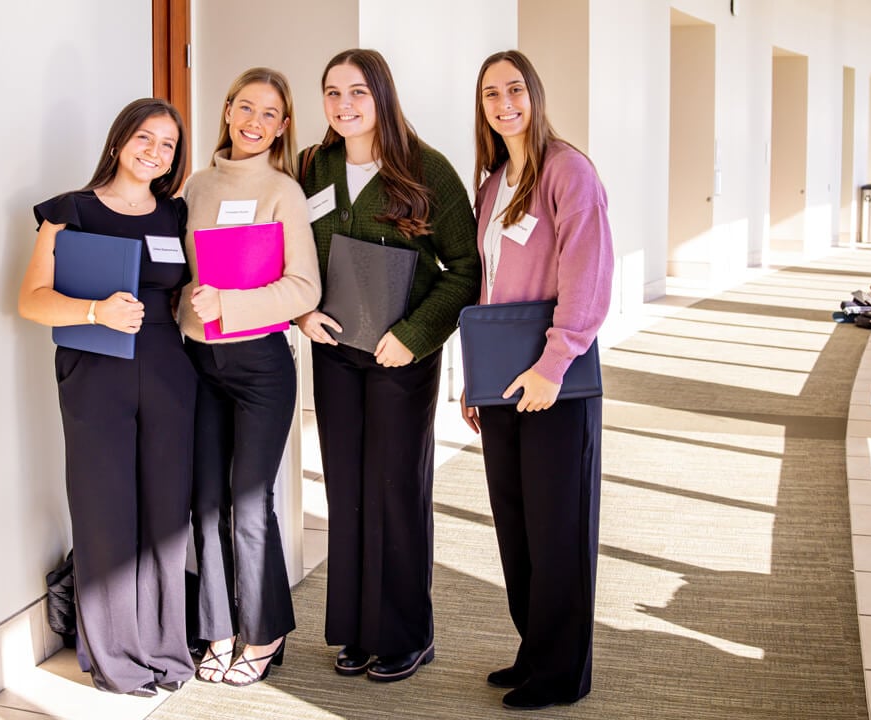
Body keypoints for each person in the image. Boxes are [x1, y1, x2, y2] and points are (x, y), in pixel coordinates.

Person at [295, 48, 480, 683]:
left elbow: (465, 271)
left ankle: (406, 633)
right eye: (332, 93)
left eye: (357, 93)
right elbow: (289, 258)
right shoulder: (312, 168)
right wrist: (300, 313)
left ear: (382, 97)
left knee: (396, 490)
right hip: (336, 353)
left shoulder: (428, 171)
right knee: (346, 489)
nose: (344, 106)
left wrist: (416, 334)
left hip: (401, 354)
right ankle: (355, 628)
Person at [18, 98, 195, 697]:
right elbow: (31, 299)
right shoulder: (71, 211)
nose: (154, 151)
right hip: (95, 372)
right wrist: (95, 310)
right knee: (105, 510)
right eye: (144, 137)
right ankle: (115, 657)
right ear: (120, 140)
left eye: (168, 145)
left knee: (167, 514)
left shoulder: (177, 214)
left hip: (171, 370)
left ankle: (167, 649)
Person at [460, 50, 613, 710]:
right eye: (491, 93)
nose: (504, 103)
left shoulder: (567, 170)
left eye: (514, 88)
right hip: (503, 385)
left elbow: (589, 277)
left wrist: (555, 364)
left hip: (554, 381)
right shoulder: (493, 183)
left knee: (559, 531)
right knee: (517, 526)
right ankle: (534, 651)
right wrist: (476, 382)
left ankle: (561, 672)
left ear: (535, 94)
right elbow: (490, 287)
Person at [178, 67, 321, 687]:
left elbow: (304, 286)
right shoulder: (195, 186)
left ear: (283, 126)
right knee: (205, 502)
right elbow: (179, 272)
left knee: (247, 502)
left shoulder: (284, 191)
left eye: (270, 114)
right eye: (246, 108)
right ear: (228, 111)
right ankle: (215, 628)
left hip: (262, 365)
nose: (255, 122)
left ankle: (264, 631)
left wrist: (229, 307)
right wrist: (190, 305)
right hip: (199, 363)